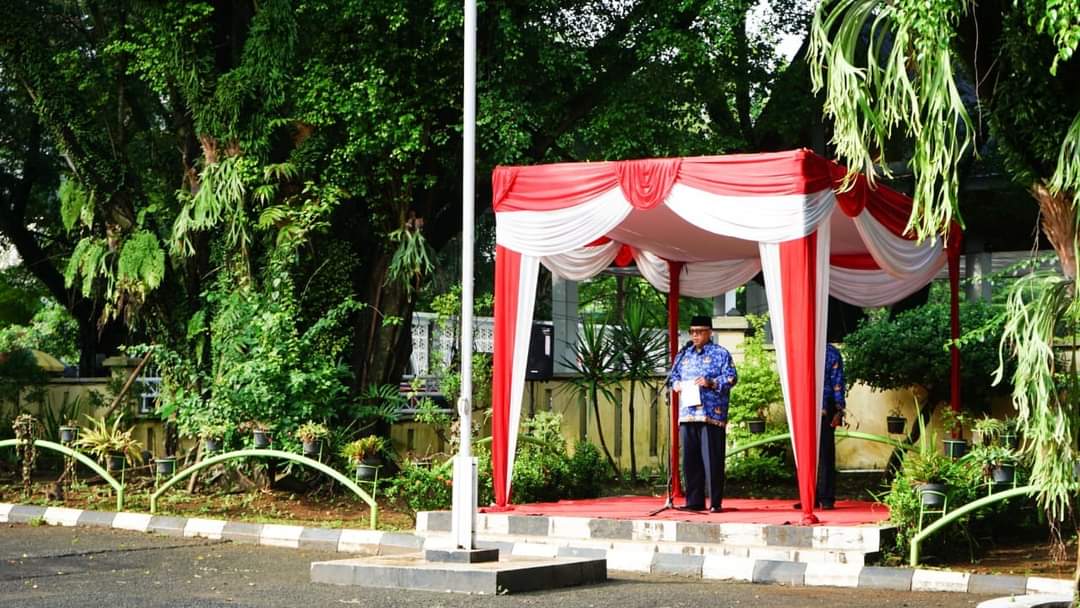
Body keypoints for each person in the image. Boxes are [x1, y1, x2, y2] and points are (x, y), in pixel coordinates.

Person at [670, 315, 738, 513]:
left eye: (699, 331)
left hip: (711, 414)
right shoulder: (684, 354)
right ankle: (694, 500)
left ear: (710, 332)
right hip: (688, 413)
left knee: (712, 460)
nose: (695, 335)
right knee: (690, 460)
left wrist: (710, 382)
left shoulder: (720, 354)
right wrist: (677, 385)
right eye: (692, 332)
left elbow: (732, 378)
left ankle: (715, 502)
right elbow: (673, 376)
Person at [795, 343, 846, 510]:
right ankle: (809, 496)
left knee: (825, 454)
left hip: (824, 408)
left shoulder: (830, 352)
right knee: (806, 454)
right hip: (805, 409)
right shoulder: (802, 349)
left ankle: (826, 497)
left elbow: (837, 382)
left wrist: (839, 409)